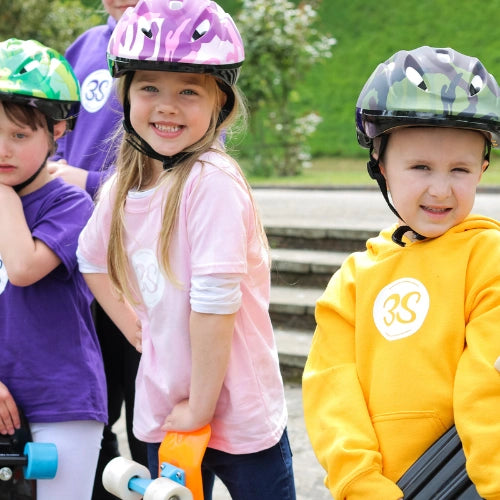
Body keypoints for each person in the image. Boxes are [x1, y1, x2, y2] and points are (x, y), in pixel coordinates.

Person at [76, 0, 296, 499]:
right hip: (169, 412)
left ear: (220, 103)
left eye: (189, 91)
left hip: (235, 415)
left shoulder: (211, 182)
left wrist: (200, 407)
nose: (167, 105)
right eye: (149, 86)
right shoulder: (121, 187)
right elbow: (90, 259)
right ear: (126, 94)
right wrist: (137, 327)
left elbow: (215, 307)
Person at [302, 45, 500, 500]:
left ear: (482, 170)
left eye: (460, 169)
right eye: (420, 167)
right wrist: (360, 482)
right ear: (381, 167)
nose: (440, 188)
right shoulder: (353, 279)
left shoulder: (488, 257)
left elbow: (488, 383)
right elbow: (331, 386)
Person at [47, 2, 148, 497]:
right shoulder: (84, 47)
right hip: (82, 262)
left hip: (148, 260)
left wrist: (86, 180)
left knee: (151, 411)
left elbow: (173, 171)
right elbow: (55, 140)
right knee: (96, 406)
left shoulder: (169, 50)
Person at [0, 38, 108, 499]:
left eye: (20, 135)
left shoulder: (68, 203)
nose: (3, 149)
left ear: (58, 131)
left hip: (61, 401)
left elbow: (23, 267)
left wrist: (2, 196)